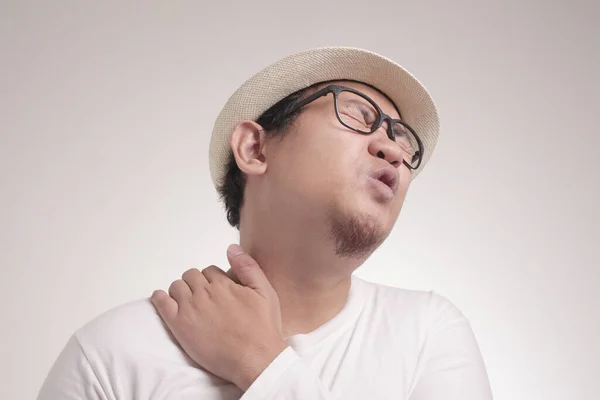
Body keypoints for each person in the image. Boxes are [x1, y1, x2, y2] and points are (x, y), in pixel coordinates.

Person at [37, 47, 493, 399]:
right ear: (255, 149)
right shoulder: (111, 352)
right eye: (357, 114)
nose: (392, 149)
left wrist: (261, 364)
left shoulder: (428, 334)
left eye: (402, 139)